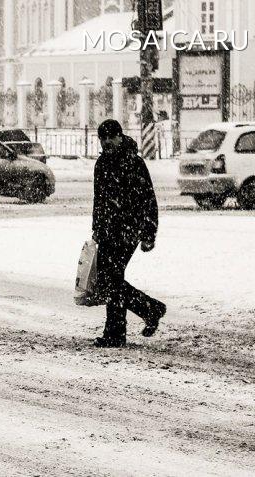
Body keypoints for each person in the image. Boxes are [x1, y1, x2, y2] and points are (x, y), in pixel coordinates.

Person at [92, 119, 166, 348]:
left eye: (110, 138)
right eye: (102, 138)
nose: (106, 142)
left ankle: (117, 332)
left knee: (111, 279)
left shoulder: (133, 162)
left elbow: (148, 199)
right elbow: (99, 200)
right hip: (107, 231)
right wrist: (96, 228)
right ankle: (148, 311)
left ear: (120, 136)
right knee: (108, 281)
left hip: (127, 231)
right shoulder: (102, 164)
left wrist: (149, 232)